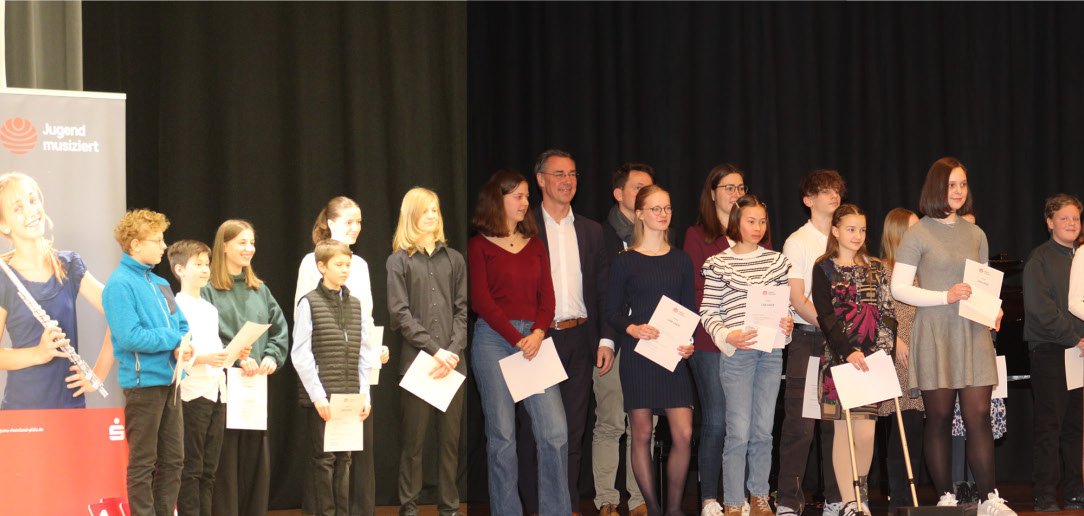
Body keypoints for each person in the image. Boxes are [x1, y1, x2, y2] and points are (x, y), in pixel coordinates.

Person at [890, 157, 1014, 515]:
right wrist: (944, 296)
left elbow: (984, 284)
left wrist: (994, 308)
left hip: (972, 331)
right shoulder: (918, 233)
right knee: (940, 417)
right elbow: (899, 288)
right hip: (935, 332)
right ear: (936, 188)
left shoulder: (976, 234)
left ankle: (990, 499)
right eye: (951, 185)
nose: (958, 191)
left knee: (979, 416)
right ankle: (945, 496)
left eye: (962, 184)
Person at [517, 149, 615, 516]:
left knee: (573, 431)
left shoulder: (591, 230)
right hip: (538, 339)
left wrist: (606, 339)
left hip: (580, 338)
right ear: (540, 179)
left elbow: (603, 290)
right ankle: (535, 507)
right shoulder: (522, 226)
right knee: (534, 430)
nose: (567, 180)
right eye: (558, 174)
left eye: (572, 174)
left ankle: (566, 506)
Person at [467, 169, 569, 516]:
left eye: (527, 196)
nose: (526, 202)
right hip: (494, 341)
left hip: (534, 341)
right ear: (498, 200)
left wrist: (537, 333)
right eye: (519, 196)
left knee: (555, 433)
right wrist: (517, 339)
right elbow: (481, 301)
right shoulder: (479, 245)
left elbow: (547, 299)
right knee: (503, 438)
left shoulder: (535, 244)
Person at [683, 163, 772, 516]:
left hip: (755, 343)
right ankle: (710, 497)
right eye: (729, 188)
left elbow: (770, 292)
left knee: (756, 424)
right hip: (711, 342)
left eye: (740, 187)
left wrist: (773, 321)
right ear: (713, 193)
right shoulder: (698, 236)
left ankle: (753, 495)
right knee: (720, 420)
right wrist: (726, 331)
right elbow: (697, 291)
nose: (736, 193)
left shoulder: (758, 234)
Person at [294, 196, 389, 516]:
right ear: (330, 222)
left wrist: (376, 347)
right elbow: (305, 316)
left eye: (359, 221)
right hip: (325, 367)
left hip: (356, 365)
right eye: (349, 221)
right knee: (324, 453)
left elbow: (366, 316)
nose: (355, 227)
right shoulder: (311, 262)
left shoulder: (359, 265)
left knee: (354, 448)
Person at [606, 184, 696, 516]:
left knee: (684, 434)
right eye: (655, 208)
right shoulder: (625, 261)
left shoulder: (682, 260)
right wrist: (632, 328)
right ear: (640, 214)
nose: (663, 214)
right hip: (639, 354)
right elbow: (611, 312)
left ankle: (674, 509)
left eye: (667, 208)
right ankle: (654, 510)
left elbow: (689, 310)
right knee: (641, 432)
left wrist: (689, 343)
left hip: (672, 356)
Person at [700, 194, 793, 516]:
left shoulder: (776, 261)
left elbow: (785, 306)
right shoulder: (719, 263)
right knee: (738, 431)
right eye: (751, 221)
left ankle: (759, 496)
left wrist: (787, 321)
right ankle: (733, 501)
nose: (758, 227)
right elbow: (708, 311)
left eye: (762, 221)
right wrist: (728, 334)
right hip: (738, 356)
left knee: (763, 430)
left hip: (770, 353)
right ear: (736, 223)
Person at [102, 209, 192, 516]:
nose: (164, 246)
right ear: (135, 244)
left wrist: (183, 344)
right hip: (143, 387)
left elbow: (182, 326)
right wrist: (172, 339)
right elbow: (130, 337)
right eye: (157, 240)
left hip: (171, 382)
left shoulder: (160, 282)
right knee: (143, 463)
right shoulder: (119, 284)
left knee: (174, 461)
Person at [810, 204, 896, 516]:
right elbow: (826, 317)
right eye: (850, 229)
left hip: (871, 361)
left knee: (866, 433)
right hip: (840, 361)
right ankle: (850, 502)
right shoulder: (824, 268)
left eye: (862, 229)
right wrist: (847, 351)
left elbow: (887, 311)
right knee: (843, 432)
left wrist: (882, 351)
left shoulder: (876, 268)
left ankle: (861, 496)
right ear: (835, 231)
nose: (857, 235)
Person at [386, 187, 467, 516]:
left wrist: (452, 351)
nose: (432, 215)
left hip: (452, 365)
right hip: (417, 364)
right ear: (411, 215)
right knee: (413, 444)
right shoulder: (398, 261)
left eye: (435, 209)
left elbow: (462, 310)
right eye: (425, 210)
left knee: (449, 444)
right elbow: (399, 314)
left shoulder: (454, 259)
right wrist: (435, 350)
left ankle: (449, 508)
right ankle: (409, 507)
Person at [0, 172, 111, 407]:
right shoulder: (3, 277)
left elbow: (121, 314)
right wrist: (38, 353)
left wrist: (97, 375)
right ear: (3, 225)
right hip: (23, 412)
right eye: (18, 208)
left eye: (33, 200)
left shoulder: (69, 265)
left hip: (70, 408)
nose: (31, 211)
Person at [204, 219, 290, 516]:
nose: (249, 248)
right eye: (242, 242)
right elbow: (206, 336)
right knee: (226, 458)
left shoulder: (260, 289)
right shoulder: (208, 290)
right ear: (224, 246)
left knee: (256, 457)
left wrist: (272, 356)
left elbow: (279, 329)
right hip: (224, 385)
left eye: (252, 243)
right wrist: (237, 358)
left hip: (256, 385)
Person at [777, 169, 846, 516]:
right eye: (824, 190)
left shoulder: (844, 236)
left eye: (836, 190)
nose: (833, 195)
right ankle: (788, 501)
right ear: (808, 200)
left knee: (837, 425)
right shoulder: (798, 241)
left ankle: (836, 499)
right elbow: (796, 297)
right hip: (808, 339)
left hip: (840, 342)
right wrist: (830, 325)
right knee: (801, 426)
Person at [170, 239, 246, 516]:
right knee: (191, 468)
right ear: (180, 270)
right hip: (191, 392)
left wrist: (234, 352)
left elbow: (215, 349)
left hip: (216, 391)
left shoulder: (210, 309)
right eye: (198, 264)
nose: (205, 269)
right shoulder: (174, 306)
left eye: (206, 264)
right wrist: (202, 358)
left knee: (209, 469)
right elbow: (175, 352)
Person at [596, 162, 654, 516]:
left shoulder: (658, 235)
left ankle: (639, 499)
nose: (645, 194)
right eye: (637, 188)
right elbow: (598, 294)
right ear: (619, 194)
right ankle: (606, 498)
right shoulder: (598, 235)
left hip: (650, 341)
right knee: (610, 422)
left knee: (644, 425)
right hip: (613, 339)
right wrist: (605, 340)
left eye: (650, 188)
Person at [1023, 194, 1084, 512]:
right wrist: (1075, 337)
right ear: (1049, 223)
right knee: (1050, 425)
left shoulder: (1082, 258)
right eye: (1064, 218)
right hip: (1050, 350)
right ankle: (1045, 495)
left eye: (1076, 218)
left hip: (1078, 351)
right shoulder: (1040, 259)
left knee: (1075, 426)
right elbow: (1041, 309)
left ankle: (1074, 492)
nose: (1072, 223)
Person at [877, 208, 925, 512]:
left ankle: (912, 495)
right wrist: (896, 341)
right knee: (903, 426)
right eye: (913, 229)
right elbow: (876, 312)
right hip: (899, 353)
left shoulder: (923, 269)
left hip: (923, 352)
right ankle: (898, 497)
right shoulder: (883, 269)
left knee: (916, 426)